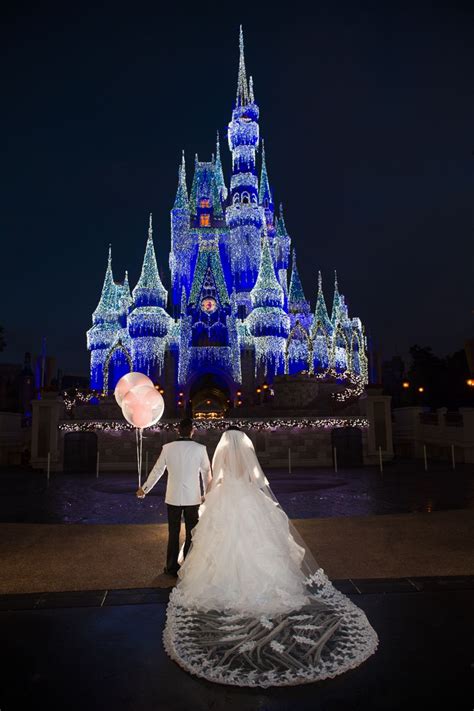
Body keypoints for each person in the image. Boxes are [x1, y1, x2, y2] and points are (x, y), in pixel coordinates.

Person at [163, 428, 378, 687]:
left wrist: (207, 495)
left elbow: (215, 478)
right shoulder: (246, 455)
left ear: (224, 445)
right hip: (247, 497)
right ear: (243, 444)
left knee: (221, 539)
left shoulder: (220, 454)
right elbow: (257, 479)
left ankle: (226, 580)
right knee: (258, 539)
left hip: (226, 498)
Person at [136, 418, 211, 577]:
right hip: (193, 497)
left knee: (173, 532)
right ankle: (189, 566)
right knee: (192, 532)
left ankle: (171, 567)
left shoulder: (167, 448)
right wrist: (207, 494)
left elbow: (157, 470)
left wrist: (145, 489)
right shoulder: (200, 449)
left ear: (178, 430)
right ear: (192, 431)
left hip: (173, 496)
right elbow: (206, 473)